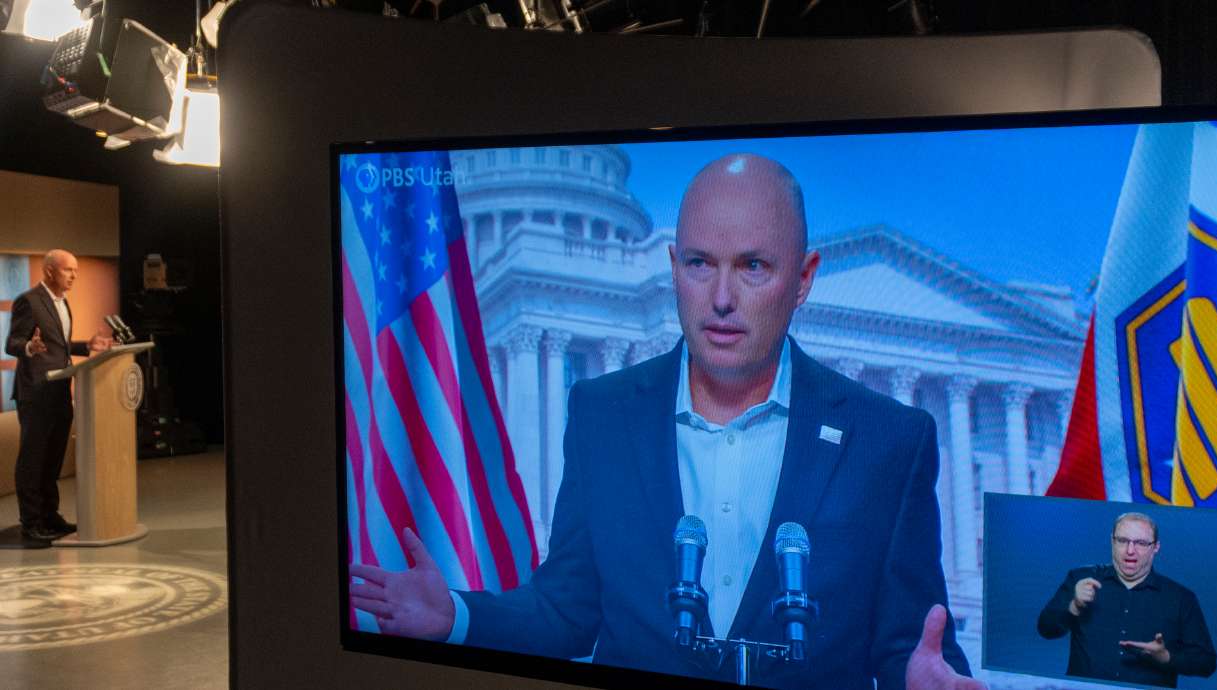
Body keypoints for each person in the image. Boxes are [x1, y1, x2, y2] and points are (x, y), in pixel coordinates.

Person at [351, 154, 982, 689]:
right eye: (701, 263)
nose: (723, 299)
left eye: (753, 266)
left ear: (804, 279)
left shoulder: (889, 439)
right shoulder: (602, 415)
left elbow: (913, 645)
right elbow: (567, 610)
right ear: (675, 267)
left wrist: (922, 677)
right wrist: (455, 618)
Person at [1037, 512, 1217, 687]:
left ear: (1156, 547)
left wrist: (1167, 658)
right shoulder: (1081, 579)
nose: (1130, 551)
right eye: (1123, 541)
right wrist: (1074, 606)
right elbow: (1045, 629)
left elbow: (1207, 663)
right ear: (1112, 541)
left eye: (1140, 543)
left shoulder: (1181, 598)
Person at [4, 249, 111, 542]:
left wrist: (84, 346)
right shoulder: (29, 301)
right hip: (36, 392)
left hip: (60, 391)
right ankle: (31, 521)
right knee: (33, 459)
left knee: (53, 459)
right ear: (50, 271)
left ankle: (50, 516)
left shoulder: (63, 303)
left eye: (76, 270)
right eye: (68, 270)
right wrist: (29, 348)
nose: (74, 276)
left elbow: (58, 346)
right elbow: (12, 343)